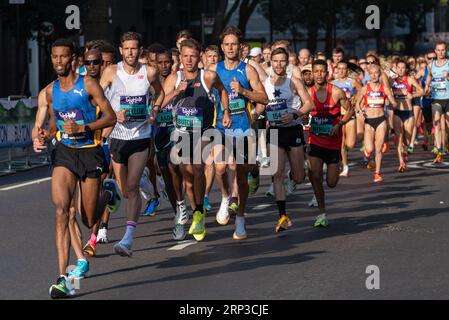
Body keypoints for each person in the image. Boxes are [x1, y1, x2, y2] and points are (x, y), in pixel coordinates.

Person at [35, 39, 119, 298]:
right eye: (54, 57)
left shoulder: (89, 85)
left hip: (90, 152)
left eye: (63, 57)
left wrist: (84, 128)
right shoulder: (50, 91)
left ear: (73, 60)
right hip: (65, 154)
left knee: (88, 218)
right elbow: (54, 123)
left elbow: (111, 116)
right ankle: (63, 276)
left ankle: (108, 194)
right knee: (62, 210)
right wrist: (45, 136)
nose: (58, 61)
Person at [100, 32, 164, 257]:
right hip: (117, 137)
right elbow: (97, 97)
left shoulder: (149, 72)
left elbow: (160, 92)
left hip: (140, 136)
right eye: (126, 49)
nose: (130, 53)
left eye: (134, 48)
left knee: (133, 185)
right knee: (125, 190)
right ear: (120, 50)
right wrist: (112, 114)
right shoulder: (110, 71)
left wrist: (154, 110)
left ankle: (127, 239)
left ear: (140, 50)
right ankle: (145, 179)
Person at [162, 38, 230, 241]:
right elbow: (162, 101)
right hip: (182, 133)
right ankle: (189, 209)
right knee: (186, 177)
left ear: (199, 57)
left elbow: (223, 91)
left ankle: (199, 212)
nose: (189, 60)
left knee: (198, 168)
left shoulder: (208, 76)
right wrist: (176, 91)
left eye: (193, 56)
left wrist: (226, 111)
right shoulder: (174, 78)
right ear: (180, 57)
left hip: (204, 131)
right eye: (185, 56)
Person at [209, 26, 269, 240]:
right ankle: (225, 197)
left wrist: (243, 91)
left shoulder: (248, 70)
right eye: (226, 44)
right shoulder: (214, 70)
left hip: (243, 128)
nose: (230, 47)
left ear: (240, 46)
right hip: (221, 127)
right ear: (222, 47)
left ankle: (241, 218)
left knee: (242, 178)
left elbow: (264, 98)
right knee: (220, 166)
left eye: (234, 44)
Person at [256, 47, 313, 232]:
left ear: (287, 63)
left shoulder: (293, 82)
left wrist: (295, 115)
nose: (279, 64)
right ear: (270, 62)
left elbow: (309, 104)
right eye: (275, 61)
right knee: (277, 175)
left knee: (298, 176)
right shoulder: (265, 84)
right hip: (274, 131)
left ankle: (293, 175)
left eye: (282, 61)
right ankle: (282, 216)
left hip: (293, 129)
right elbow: (259, 102)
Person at [306, 59, 353, 227]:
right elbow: (304, 112)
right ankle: (322, 213)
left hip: (333, 142)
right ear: (312, 73)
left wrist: (339, 124)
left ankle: (335, 167)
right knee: (315, 175)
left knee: (331, 183)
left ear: (327, 73)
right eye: (315, 71)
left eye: (322, 71)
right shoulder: (308, 93)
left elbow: (350, 110)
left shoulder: (337, 92)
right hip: (315, 140)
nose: (319, 74)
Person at [355, 64, 397, 182]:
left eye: (376, 73)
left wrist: (392, 103)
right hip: (369, 121)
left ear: (380, 74)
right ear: (369, 75)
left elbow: (394, 103)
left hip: (380, 120)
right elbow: (357, 104)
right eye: (371, 73)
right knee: (369, 148)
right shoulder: (365, 88)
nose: (373, 75)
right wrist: (361, 112)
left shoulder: (385, 88)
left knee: (378, 149)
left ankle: (377, 173)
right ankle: (367, 151)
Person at [390, 59, 423, 172]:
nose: (401, 70)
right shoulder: (392, 80)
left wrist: (412, 94)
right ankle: (401, 162)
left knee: (407, 142)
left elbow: (421, 91)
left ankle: (405, 149)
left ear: (406, 69)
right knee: (399, 137)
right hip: (397, 112)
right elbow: (384, 88)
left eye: (403, 68)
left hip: (408, 113)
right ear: (396, 68)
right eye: (399, 67)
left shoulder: (410, 79)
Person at [332, 61, 361, 177]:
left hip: (349, 115)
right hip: (337, 116)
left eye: (344, 69)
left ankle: (342, 155)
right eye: (339, 68)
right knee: (341, 143)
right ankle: (345, 166)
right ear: (336, 70)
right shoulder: (332, 84)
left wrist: (357, 100)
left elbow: (363, 91)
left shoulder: (352, 82)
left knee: (351, 143)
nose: (342, 71)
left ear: (347, 70)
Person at [425, 40, 449, 163]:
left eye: (443, 50)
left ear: (446, 51)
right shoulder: (431, 65)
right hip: (436, 99)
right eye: (438, 50)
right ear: (435, 51)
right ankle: (439, 151)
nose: (440, 52)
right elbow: (429, 75)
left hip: (448, 98)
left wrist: (448, 76)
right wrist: (427, 85)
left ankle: (447, 142)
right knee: (437, 123)